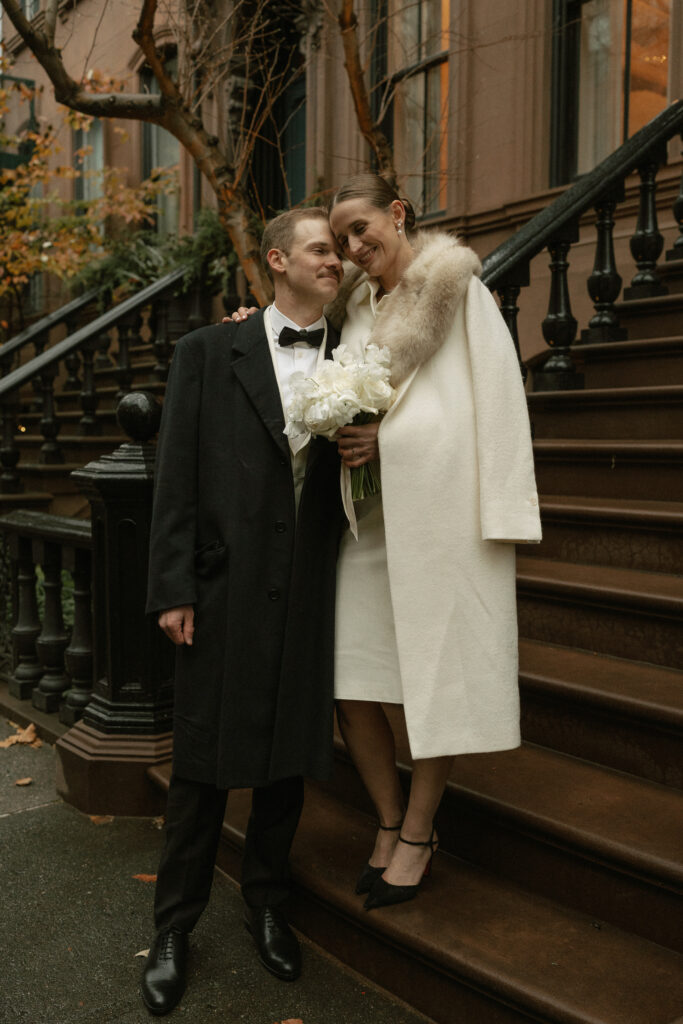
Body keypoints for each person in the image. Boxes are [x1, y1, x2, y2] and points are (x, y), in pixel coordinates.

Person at [141, 207, 345, 1016]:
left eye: (337, 250)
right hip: (222, 594)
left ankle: (265, 902)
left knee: (285, 763)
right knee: (200, 769)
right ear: (277, 260)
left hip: (311, 591)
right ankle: (172, 928)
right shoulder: (205, 351)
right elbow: (177, 477)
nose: (334, 262)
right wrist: (174, 588)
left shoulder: (360, 356)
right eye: (321, 250)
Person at [323, 174, 542, 910]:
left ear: (396, 212)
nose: (355, 247)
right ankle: (386, 818)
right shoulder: (352, 307)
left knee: (435, 686)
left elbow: (499, 401)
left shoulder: (459, 290)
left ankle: (416, 833)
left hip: (443, 521)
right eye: (342, 237)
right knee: (352, 683)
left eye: (362, 228)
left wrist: (504, 518)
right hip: (367, 526)